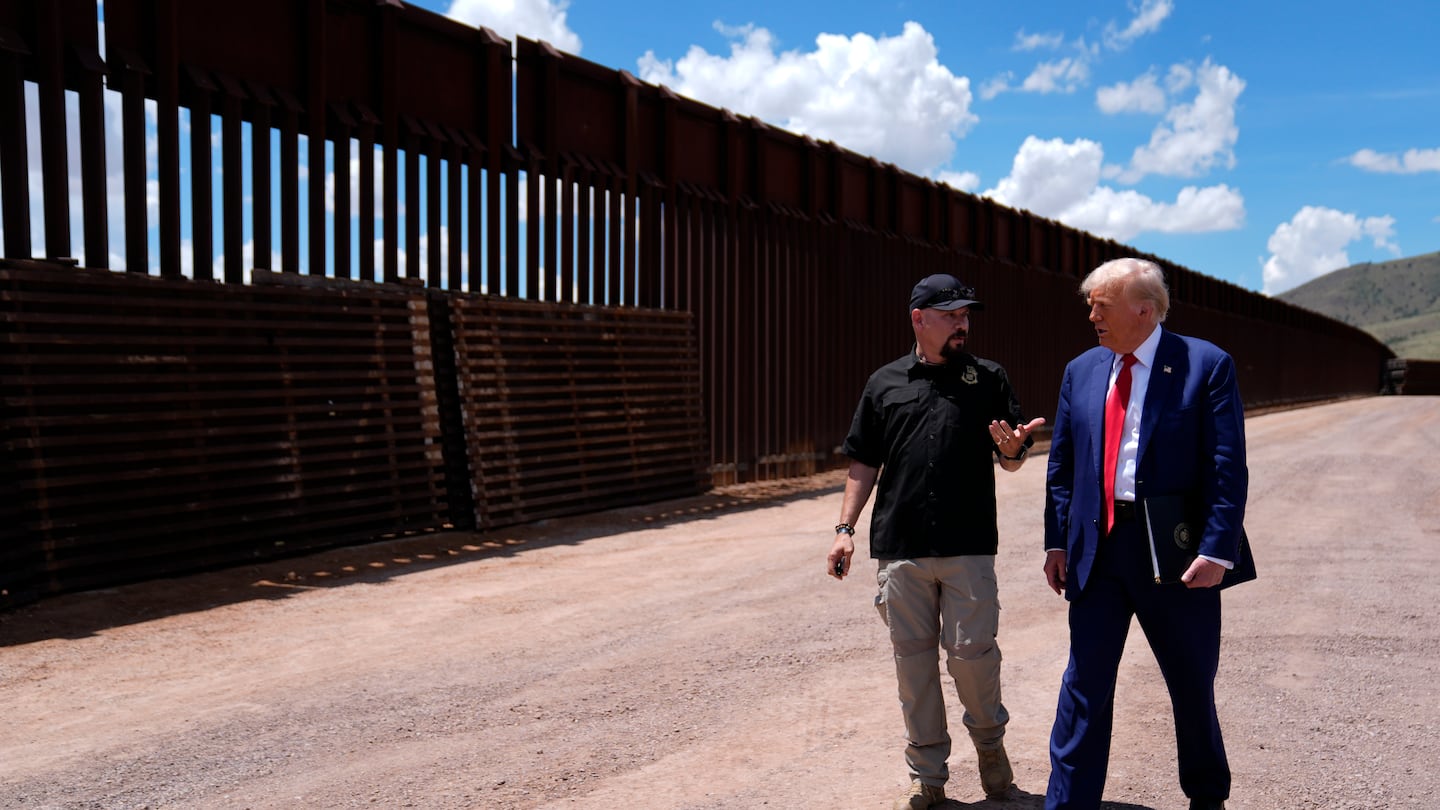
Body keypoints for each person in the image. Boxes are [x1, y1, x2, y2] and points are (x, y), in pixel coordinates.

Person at [828, 273, 1045, 810]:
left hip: (968, 545)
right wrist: (844, 530)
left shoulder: (988, 378)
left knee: (974, 658)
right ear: (919, 319)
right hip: (900, 548)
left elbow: (1011, 458)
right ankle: (927, 777)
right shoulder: (884, 384)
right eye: (951, 316)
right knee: (914, 666)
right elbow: (864, 461)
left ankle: (991, 749)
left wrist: (1015, 450)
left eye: (966, 316)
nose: (962, 324)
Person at [1041, 258, 1250, 810]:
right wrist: (1057, 542)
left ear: (1144, 309)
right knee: (1083, 688)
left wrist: (1216, 550)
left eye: (1101, 306)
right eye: (1090, 305)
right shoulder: (1081, 370)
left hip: (1175, 554)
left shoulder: (1205, 365)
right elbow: (1063, 466)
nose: (1091, 316)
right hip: (1098, 550)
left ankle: (1208, 799)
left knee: (1190, 687)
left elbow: (1227, 467)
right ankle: (1068, 804)